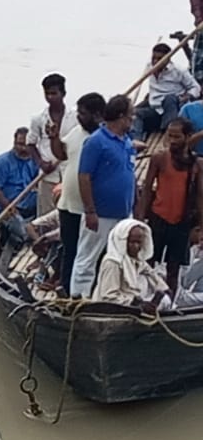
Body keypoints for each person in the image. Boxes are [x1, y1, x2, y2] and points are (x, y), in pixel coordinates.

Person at [70, 95, 137, 298]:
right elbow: (84, 177)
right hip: (100, 213)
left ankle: (117, 296)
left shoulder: (126, 141)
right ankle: (78, 299)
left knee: (123, 258)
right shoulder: (96, 142)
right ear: (120, 117)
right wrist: (90, 210)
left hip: (123, 213)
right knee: (87, 259)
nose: (133, 119)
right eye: (130, 115)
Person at [47, 91, 105, 296]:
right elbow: (61, 153)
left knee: (92, 254)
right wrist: (53, 138)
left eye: (83, 113)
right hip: (68, 205)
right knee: (69, 249)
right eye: (78, 112)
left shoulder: (104, 138)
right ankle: (65, 289)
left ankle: (90, 293)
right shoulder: (76, 133)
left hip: (91, 209)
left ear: (97, 114)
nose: (79, 117)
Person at [137, 117, 203, 293]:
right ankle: (145, 298)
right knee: (148, 263)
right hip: (158, 217)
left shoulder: (197, 164)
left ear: (188, 137)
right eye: (170, 136)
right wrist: (140, 219)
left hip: (181, 222)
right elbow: (147, 189)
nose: (172, 141)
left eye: (177, 137)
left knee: (173, 270)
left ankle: (169, 305)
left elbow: (199, 197)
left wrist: (201, 228)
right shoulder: (159, 158)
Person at [93, 218, 171, 312]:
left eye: (139, 242)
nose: (136, 247)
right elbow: (109, 297)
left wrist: (164, 291)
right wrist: (134, 304)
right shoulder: (112, 262)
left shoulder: (138, 261)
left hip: (133, 305)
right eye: (132, 242)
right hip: (113, 310)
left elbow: (155, 279)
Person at [26, 73, 76, 218]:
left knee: (67, 212)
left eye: (54, 93)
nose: (50, 97)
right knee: (46, 215)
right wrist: (41, 163)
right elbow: (31, 144)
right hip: (48, 176)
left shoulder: (75, 118)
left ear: (63, 93)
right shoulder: (38, 119)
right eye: (47, 94)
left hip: (69, 172)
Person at [133, 42, 199, 141]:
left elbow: (196, 87)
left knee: (169, 99)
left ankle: (168, 133)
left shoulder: (178, 70)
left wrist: (187, 96)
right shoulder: (150, 67)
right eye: (153, 58)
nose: (155, 61)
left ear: (168, 59)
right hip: (156, 109)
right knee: (136, 114)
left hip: (172, 110)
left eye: (159, 59)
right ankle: (136, 141)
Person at [0, 128, 39, 245]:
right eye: (20, 144)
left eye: (26, 145)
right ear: (14, 142)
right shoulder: (2, 162)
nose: (23, 148)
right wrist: (9, 207)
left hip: (25, 202)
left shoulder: (34, 160)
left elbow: (37, 182)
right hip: (4, 207)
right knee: (21, 229)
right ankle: (28, 239)